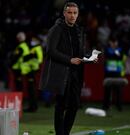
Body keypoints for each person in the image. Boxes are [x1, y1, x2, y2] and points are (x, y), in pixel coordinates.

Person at [39, 2, 97, 135]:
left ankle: (65, 132)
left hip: (76, 73)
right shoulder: (57, 29)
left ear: (78, 15)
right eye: (70, 13)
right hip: (62, 73)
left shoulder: (79, 30)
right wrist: (69, 60)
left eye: (75, 13)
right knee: (61, 105)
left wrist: (89, 58)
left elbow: (80, 52)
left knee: (75, 105)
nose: (72, 16)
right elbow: (51, 51)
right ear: (64, 13)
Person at [10, 32, 38, 112]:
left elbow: (15, 58)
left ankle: (24, 106)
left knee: (22, 89)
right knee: (29, 89)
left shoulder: (21, 47)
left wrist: (10, 64)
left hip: (22, 70)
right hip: (28, 70)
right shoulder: (27, 46)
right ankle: (31, 106)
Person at [102, 36, 127, 112]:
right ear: (110, 42)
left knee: (118, 90)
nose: (114, 44)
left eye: (115, 42)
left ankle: (119, 106)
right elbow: (107, 56)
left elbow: (120, 57)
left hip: (118, 73)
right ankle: (106, 106)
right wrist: (114, 54)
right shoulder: (107, 49)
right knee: (107, 90)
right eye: (112, 42)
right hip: (108, 73)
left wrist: (114, 54)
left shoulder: (120, 49)